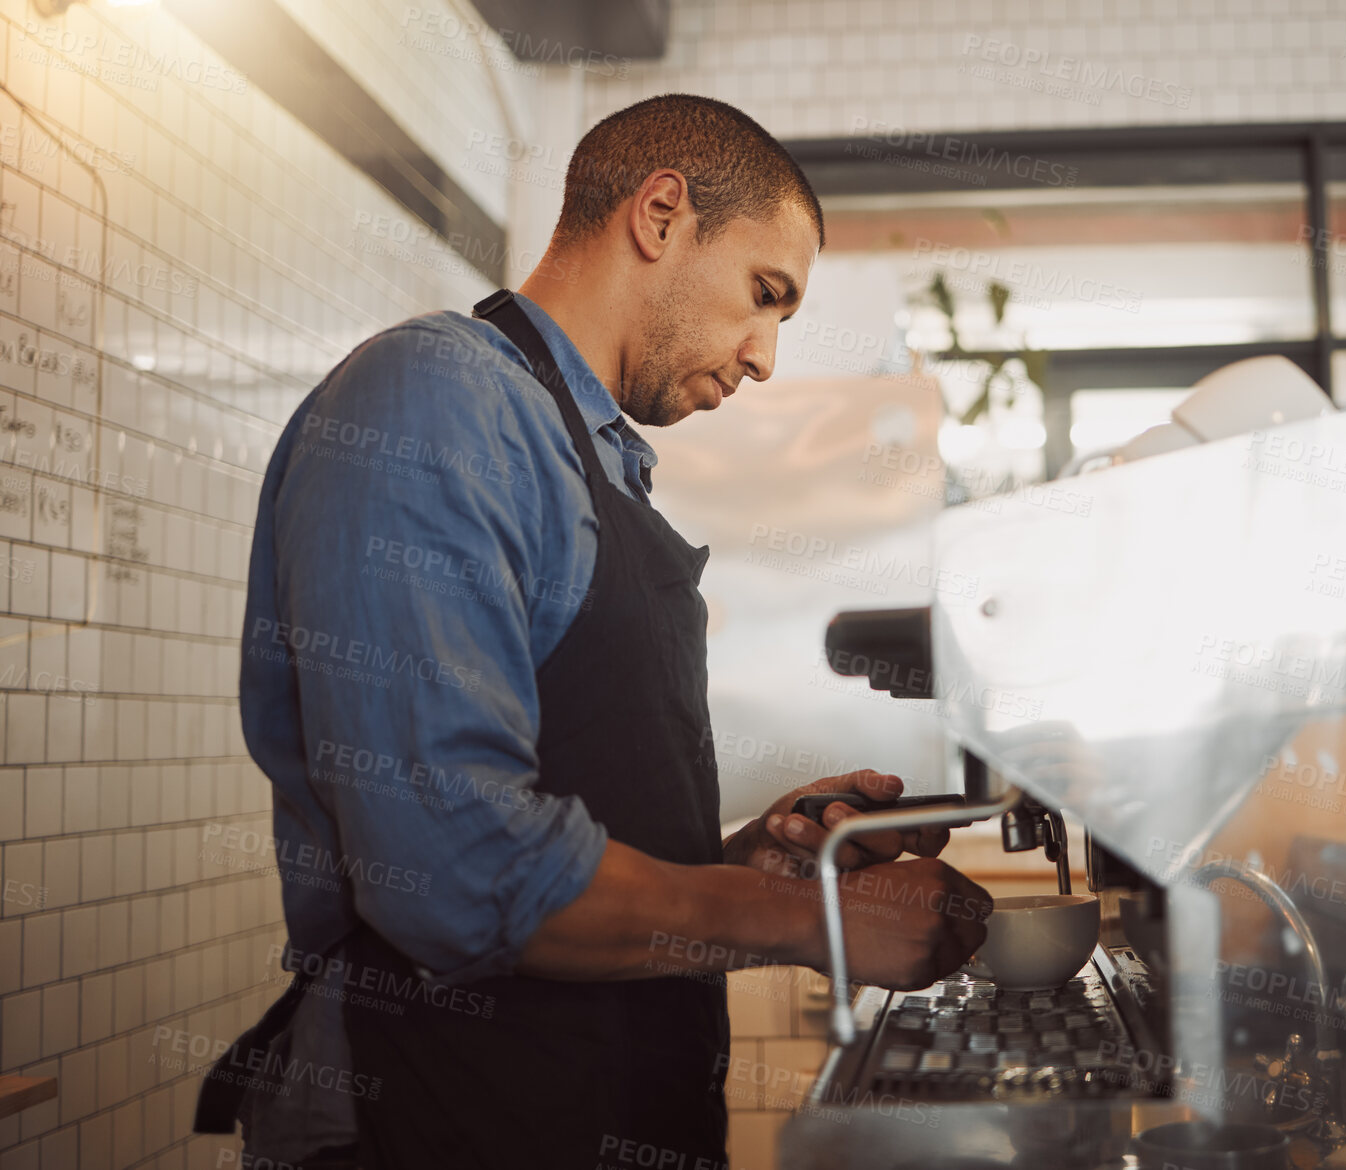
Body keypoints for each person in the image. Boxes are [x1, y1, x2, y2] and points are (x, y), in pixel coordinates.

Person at [196, 94, 992, 1169]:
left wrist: (762, 862)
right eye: (765, 296)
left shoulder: (596, 456)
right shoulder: (435, 399)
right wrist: (808, 923)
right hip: (431, 1108)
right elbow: (456, 873)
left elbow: (557, 836)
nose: (764, 359)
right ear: (660, 214)